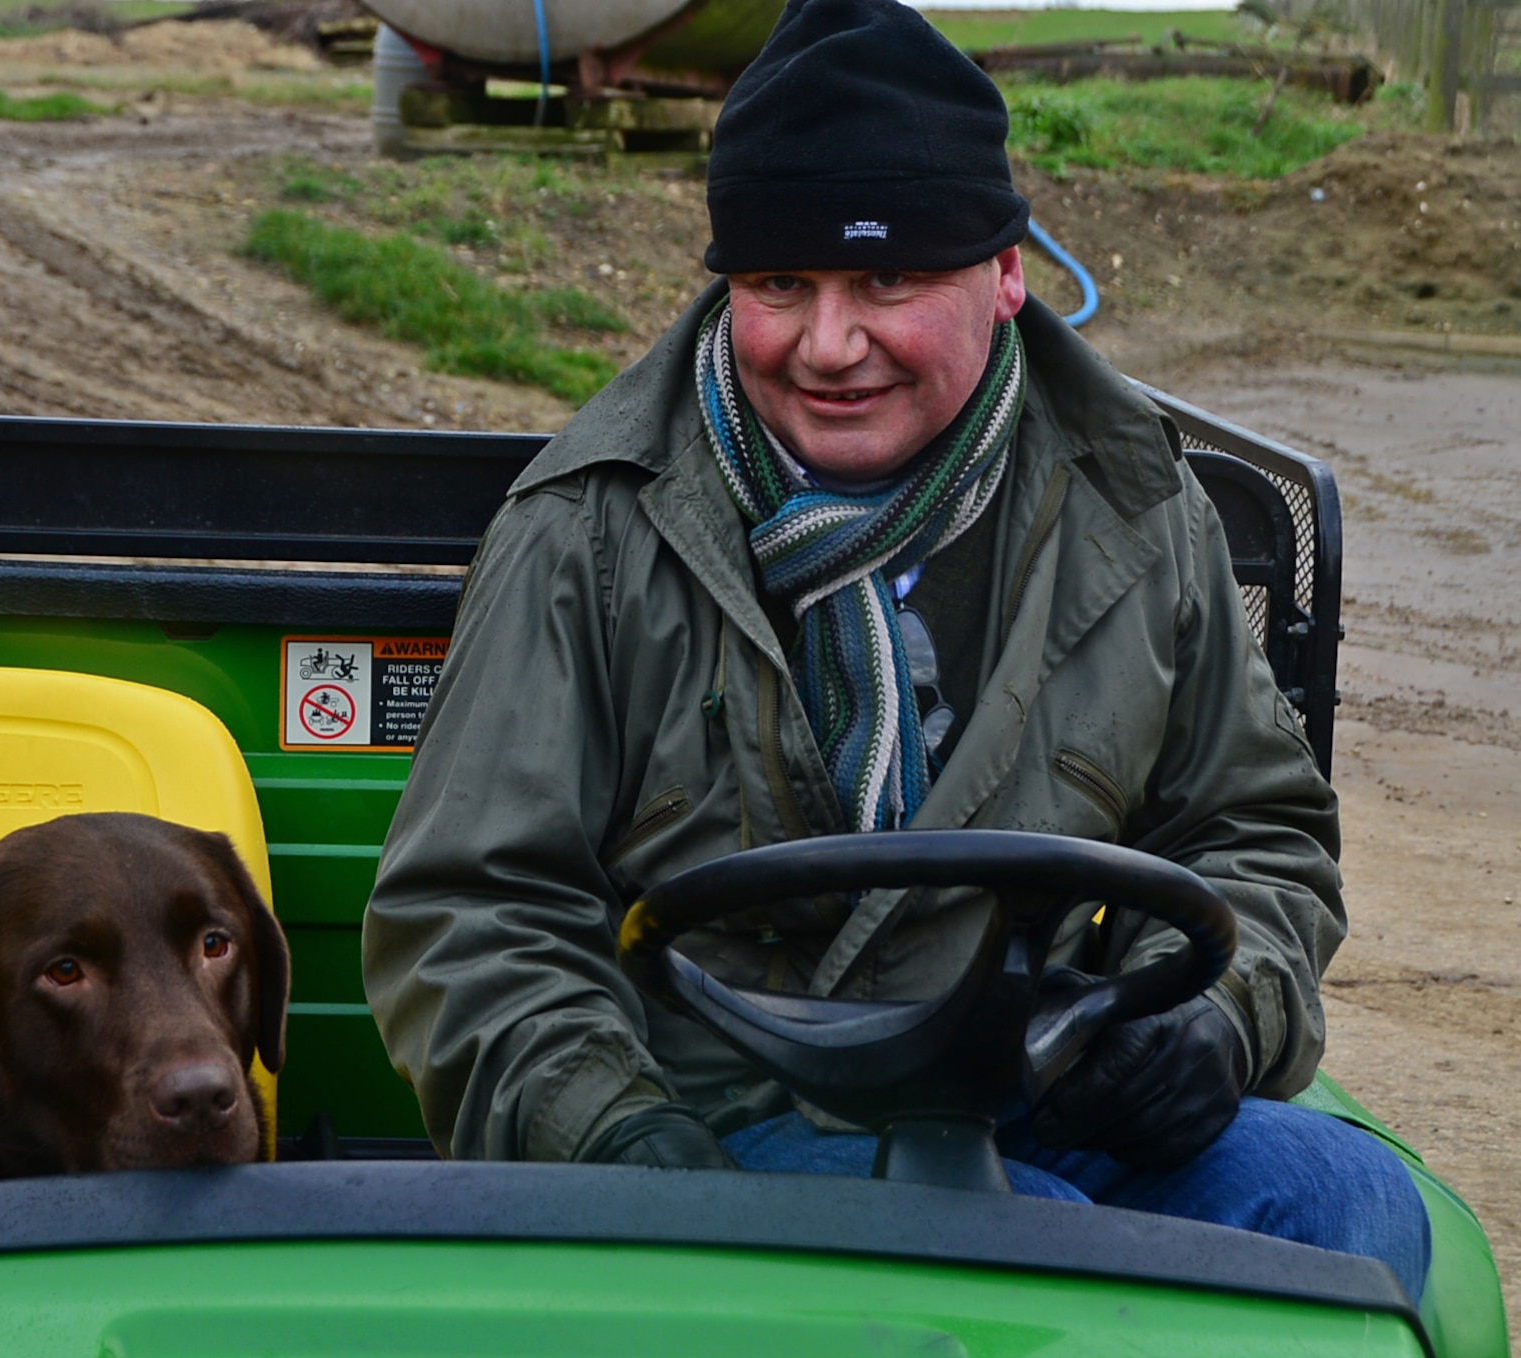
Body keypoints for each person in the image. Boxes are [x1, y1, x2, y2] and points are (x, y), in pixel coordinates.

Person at [361, 0, 1430, 1301]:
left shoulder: (1135, 503)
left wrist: (1206, 1014)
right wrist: (628, 1147)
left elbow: (1254, 830)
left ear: (1005, 273)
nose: (827, 344)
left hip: (1037, 1085)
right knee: (1016, 1252)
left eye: (886, 281)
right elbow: (472, 911)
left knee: (1357, 1202)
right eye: (777, 285)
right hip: (725, 1123)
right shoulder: (589, 527)